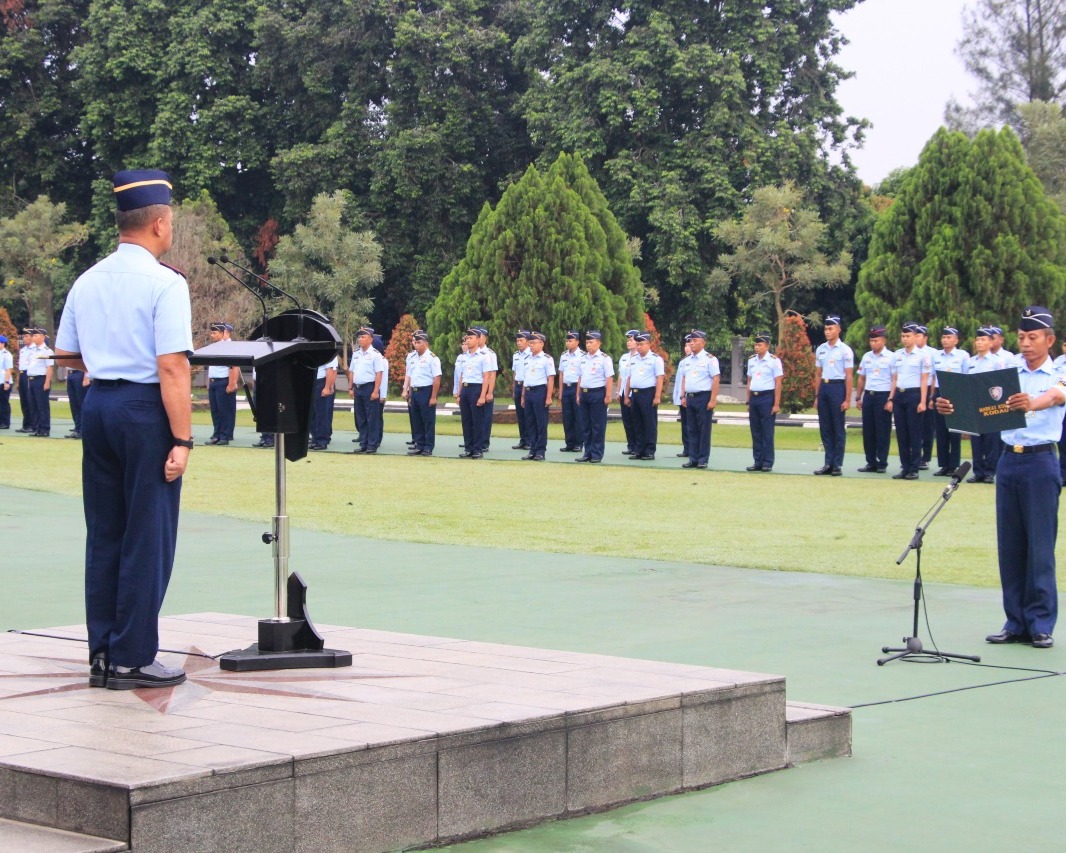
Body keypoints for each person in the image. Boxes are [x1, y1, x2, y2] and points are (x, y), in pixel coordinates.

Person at [54, 168, 192, 689]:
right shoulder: (165, 283)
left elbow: (65, 354)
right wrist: (182, 440)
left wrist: (102, 358)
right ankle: (133, 656)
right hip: (143, 410)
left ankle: (103, 653)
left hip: (99, 405)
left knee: (106, 532)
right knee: (147, 535)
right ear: (158, 224)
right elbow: (172, 367)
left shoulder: (87, 279)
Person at [937, 306, 1065, 649]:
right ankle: (1015, 621)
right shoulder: (1006, 370)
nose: (1025, 343)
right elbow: (981, 408)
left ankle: (1040, 623)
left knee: (1040, 546)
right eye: (1021, 337)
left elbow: (1056, 396)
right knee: (1010, 546)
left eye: (1032, 337)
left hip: (1041, 462)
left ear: (1049, 340)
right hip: (1009, 461)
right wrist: (951, 408)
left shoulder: (1061, 371)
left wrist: (1031, 403)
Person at [967, 327, 1009, 484]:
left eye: (983, 340)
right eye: (977, 339)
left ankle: (990, 472)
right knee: (976, 441)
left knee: (991, 440)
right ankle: (978, 471)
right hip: (974, 404)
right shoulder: (970, 362)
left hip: (991, 404)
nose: (979, 342)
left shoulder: (997, 361)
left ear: (991, 343)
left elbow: (1002, 383)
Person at [813, 315, 853, 476]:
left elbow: (849, 376)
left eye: (830, 328)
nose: (827, 331)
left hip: (838, 387)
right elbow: (818, 374)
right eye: (825, 329)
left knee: (837, 427)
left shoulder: (845, 350)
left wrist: (847, 399)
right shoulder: (821, 349)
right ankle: (828, 463)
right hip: (824, 387)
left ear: (838, 329)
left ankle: (837, 464)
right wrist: (817, 396)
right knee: (825, 428)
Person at [890, 322, 931, 480]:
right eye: (903, 336)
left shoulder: (923, 356)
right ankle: (905, 467)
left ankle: (914, 468)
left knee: (914, 433)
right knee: (901, 434)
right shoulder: (897, 355)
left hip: (914, 395)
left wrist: (923, 401)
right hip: (899, 395)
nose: (905, 339)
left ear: (915, 336)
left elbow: (924, 380)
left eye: (908, 336)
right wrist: (891, 397)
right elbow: (894, 378)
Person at [855, 325, 894, 473]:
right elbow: (861, 378)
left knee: (882, 431)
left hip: (883, 395)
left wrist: (891, 399)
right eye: (871, 341)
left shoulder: (891, 357)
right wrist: (858, 397)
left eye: (876, 340)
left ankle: (882, 462)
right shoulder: (867, 357)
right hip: (869, 396)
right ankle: (870, 462)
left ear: (883, 340)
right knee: (868, 431)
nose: (873, 343)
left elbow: (894, 379)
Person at [931, 326, 969, 476]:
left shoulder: (962, 356)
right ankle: (944, 465)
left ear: (956, 340)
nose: (945, 340)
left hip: (956, 394)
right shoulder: (936, 355)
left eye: (949, 337)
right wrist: (932, 397)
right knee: (940, 431)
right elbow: (933, 377)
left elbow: (966, 377)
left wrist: (963, 399)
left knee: (954, 431)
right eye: (944, 337)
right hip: (939, 393)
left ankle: (953, 465)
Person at [679, 330, 719, 469]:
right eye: (691, 341)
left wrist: (712, 400)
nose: (692, 343)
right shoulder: (687, 360)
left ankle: (703, 459)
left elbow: (716, 379)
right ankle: (693, 458)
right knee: (691, 429)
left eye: (695, 341)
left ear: (703, 342)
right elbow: (685, 378)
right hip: (690, 397)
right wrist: (683, 396)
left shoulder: (710, 359)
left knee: (703, 429)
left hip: (703, 397)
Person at [745, 332, 783, 472]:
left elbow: (778, 383)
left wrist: (776, 404)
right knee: (755, 431)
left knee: (767, 431)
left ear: (767, 346)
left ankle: (767, 462)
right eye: (755, 344)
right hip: (754, 398)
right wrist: (748, 401)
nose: (756, 347)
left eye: (759, 345)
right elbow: (749, 381)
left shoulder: (774, 361)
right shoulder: (752, 360)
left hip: (767, 397)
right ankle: (757, 461)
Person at [624, 331, 665, 460]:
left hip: (648, 393)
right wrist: (626, 395)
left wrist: (657, 396)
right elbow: (629, 378)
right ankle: (639, 449)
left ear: (648, 344)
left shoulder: (655, 359)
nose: (639, 347)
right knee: (637, 423)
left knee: (649, 423)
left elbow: (659, 378)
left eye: (641, 344)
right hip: (635, 393)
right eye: (638, 344)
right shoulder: (633, 359)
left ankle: (649, 451)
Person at [576, 330, 613, 463]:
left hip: (597, 393)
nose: (588, 345)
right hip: (584, 393)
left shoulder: (604, 358)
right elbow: (580, 377)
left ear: (598, 343)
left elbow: (609, 378)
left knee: (597, 425)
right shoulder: (583, 358)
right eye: (587, 342)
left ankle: (597, 453)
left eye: (591, 342)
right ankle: (588, 453)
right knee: (586, 425)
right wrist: (578, 394)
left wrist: (608, 395)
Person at [348, 326, 386, 454]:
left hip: (369, 388)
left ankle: (372, 445)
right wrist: (350, 388)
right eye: (359, 337)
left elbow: (379, 374)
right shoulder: (356, 354)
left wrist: (375, 391)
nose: (360, 339)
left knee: (372, 418)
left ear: (370, 339)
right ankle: (363, 443)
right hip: (358, 388)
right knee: (361, 417)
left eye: (363, 337)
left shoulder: (375, 355)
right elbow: (352, 371)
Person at [403, 330, 441, 456]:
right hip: (415, 391)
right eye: (415, 342)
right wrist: (409, 393)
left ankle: (428, 447)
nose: (416, 345)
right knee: (416, 420)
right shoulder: (413, 357)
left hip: (426, 391)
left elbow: (437, 378)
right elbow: (411, 376)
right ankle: (419, 445)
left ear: (426, 343)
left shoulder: (432, 358)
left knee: (428, 420)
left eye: (419, 342)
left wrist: (433, 396)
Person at [521, 331, 555, 460]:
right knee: (530, 422)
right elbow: (525, 378)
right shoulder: (527, 359)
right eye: (530, 343)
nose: (531, 345)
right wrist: (523, 396)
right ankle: (532, 449)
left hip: (540, 391)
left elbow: (550, 379)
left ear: (541, 343)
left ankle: (540, 451)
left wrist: (549, 396)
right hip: (528, 392)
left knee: (540, 423)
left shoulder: (546, 359)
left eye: (533, 343)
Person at [204, 322, 238, 445]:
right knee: (215, 411)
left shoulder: (228, 347)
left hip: (223, 381)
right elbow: (211, 366)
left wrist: (232, 383)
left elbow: (234, 366)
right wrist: (209, 382)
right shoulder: (213, 347)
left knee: (224, 411)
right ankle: (216, 434)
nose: (212, 335)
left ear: (223, 333)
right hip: (214, 381)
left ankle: (225, 436)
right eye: (211, 333)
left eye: (214, 333)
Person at [458, 327, 489, 459]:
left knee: (477, 421)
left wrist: (483, 396)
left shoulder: (483, 356)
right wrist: (459, 393)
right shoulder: (464, 357)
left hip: (476, 388)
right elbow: (462, 375)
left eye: (471, 338)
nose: (468, 340)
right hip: (465, 388)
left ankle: (477, 449)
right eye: (467, 338)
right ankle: (468, 448)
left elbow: (486, 377)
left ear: (477, 339)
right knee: (466, 421)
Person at [557, 331, 585, 453]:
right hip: (566, 388)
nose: (568, 343)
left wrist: (578, 393)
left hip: (576, 387)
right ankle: (569, 443)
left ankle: (579, 443)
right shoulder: (564, 356)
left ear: (577, 342)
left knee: (578, 417)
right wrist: (560, 392)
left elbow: (582, 375)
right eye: (567, 341)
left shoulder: (582, 356)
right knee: (567, 417)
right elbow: (561, 374)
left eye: (570, 340)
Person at [914, 324, 936, 470]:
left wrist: (931, 396)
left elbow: (934, 376)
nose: (915, 338)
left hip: (927, 389)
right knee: (914, 425)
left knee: (927, 426)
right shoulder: (907, 352)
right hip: (912, 389)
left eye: (918, 335)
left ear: (925, 338)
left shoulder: (933, 353)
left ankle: (925, 457)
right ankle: (913, 455)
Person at [25, 327, 53, 437]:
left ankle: (44, 428)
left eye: (36, 335)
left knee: (42, 405)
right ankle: (36, 428)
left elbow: (49, 368)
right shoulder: (33, 351)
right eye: (33, 335)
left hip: (41, 379)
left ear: (42, 337)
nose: (33, 337)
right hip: (31, 379)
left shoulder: (47, 351)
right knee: (33, 405)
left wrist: (47, 382)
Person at [474, 326, 498, 453]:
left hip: (486, 388)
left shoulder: (490, 354)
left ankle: (484, 443)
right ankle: (473, 441)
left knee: (485, 417)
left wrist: (489, 392)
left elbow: (492, 374)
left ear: (485, 338)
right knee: (474, 417)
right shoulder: (472, 353)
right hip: (475, 388)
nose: (478, 339)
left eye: (480, 336)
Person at [617, 330, 640, 456]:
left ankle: (637, 446)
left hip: (633, 394)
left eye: (631, 340)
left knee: (635, 420)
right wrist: (618, 391)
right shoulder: (624, 357)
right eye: (628, 340)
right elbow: (621, 376)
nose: (628, 342)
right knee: (626, 421)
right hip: (623, 393)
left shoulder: (639, 357)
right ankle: (630, 445)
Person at [309, 353, 338, 451]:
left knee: (322, 414)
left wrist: (327, 387)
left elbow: (331, 370)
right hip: (312, 381)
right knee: (312, 414)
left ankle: (322, 441)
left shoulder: (330, 353)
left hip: (321, 382)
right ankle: (315, 438)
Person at [510, 331, 532, 451]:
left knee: (528, 415)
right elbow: (515, 373)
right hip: (518, 385)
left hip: (527, 386)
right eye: (517, 340)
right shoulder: (516, 355)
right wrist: (514, 389)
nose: (518, 343)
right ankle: (523, 440)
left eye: (521, 340)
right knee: (520, 415)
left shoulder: (531, 354)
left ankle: (529, 441)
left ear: (528, 342)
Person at [673, 340, 693, 459]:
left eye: (689, 345)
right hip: (682, 398)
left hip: (690, 397)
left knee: (691, 425)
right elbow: (679, 381)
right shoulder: (683, 361)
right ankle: (686, 448)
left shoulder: (695, 361)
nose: (687, 348)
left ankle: (693, 449)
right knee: (685, 424)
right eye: (686, 345)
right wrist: (678, 397)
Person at [16, 328, 33, 432]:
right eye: (23, 336)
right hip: (22, 374)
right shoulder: (23, 350)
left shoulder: (34, 349)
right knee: (23, 401)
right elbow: (20, 366)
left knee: (29, 400)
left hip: (29, 374)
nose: (24, 338)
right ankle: (25, 424)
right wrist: (18, 380)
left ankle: (31, 424)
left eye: (26, 336)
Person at [66, 366, 89, 438]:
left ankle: (82, 430)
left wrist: (86, 377)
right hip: (70, 373)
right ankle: (77, 428)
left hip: (80, 372)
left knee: (81, 403)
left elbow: (86, 363)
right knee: (73, 404)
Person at [0, 335, 12, 429]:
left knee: (4, 403)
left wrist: (6, 382)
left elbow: (8, 369)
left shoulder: (6, 354)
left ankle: (5, 422)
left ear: (3, 343)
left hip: (3, 381)